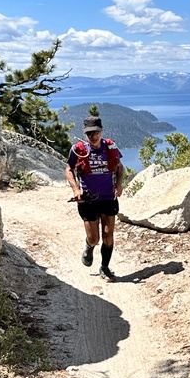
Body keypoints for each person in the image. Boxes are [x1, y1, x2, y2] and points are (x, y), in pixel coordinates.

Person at [66, 115, 125, 280]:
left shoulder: (110, 147)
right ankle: (89, 246)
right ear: (85, 133)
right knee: (94, 238)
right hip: (88, 199)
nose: (93, 136)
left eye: (96, 132)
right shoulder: (78, 149)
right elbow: (69, 169)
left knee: (109, 234)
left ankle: (105, 268)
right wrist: (76, 189)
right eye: (89, 133)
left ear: (101, 131)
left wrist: (119, 185)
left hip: (108, 197)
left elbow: (120, 167)